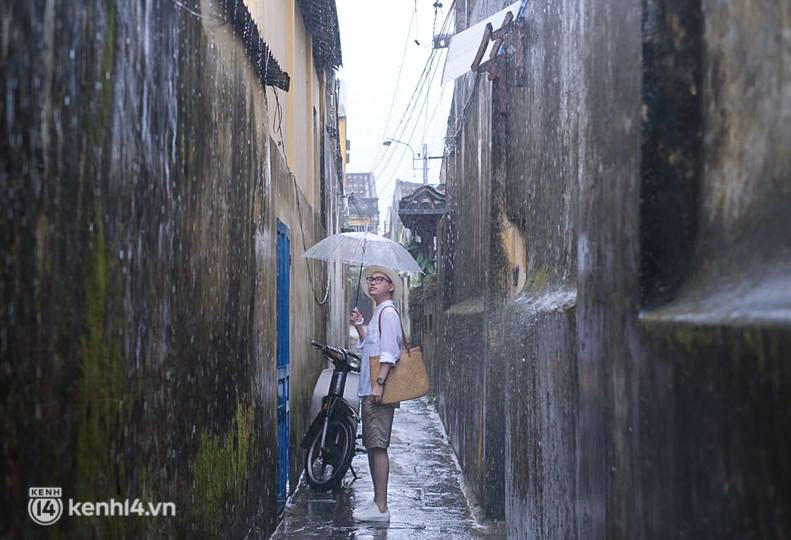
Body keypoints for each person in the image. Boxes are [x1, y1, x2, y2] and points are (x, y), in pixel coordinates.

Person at [349, 265, 404, 523]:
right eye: (371, 279)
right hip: (369, 389)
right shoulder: (378, 312)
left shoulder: (389, 312)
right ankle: (377, 502)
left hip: (377, 390)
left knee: (378, 445)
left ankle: (381, 506)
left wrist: (379, 383)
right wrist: (361, 326)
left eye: (379, 280)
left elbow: (389, 352)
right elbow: (371, 346)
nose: (372, 283)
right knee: (372, 445)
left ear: (391, 286)